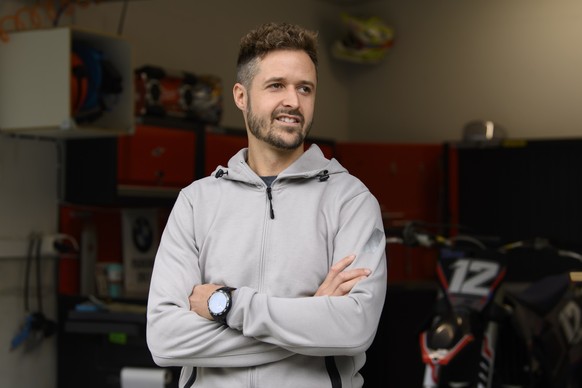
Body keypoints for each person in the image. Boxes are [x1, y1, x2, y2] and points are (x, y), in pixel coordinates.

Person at [146, 21, 388, 388]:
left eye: (304, 88)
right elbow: (165, 341)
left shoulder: (351, 202)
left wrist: (225, 305)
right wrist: (310, 323)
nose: (293, 101)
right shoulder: (197, 202)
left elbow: (353, 329)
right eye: (276, 85)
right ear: (241, 96)